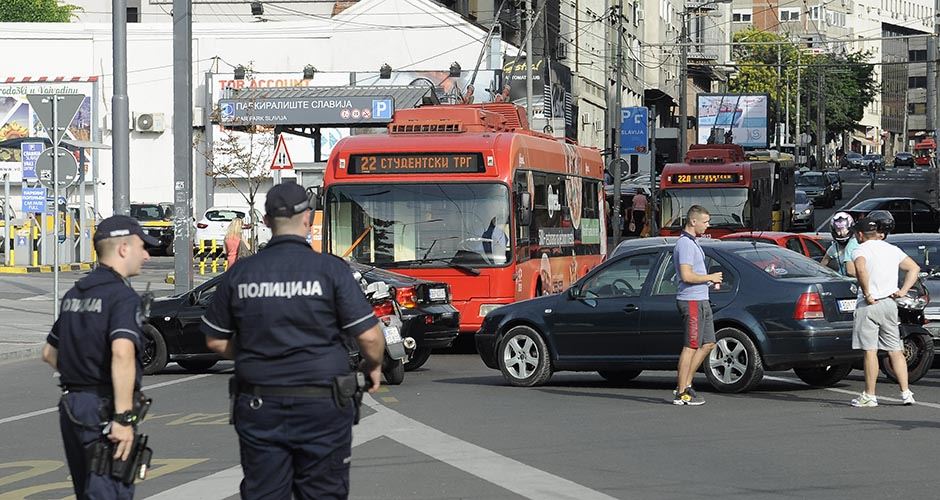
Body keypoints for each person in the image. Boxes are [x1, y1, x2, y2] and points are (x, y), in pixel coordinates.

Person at [201, 182, 385, 499]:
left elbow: (215, 341)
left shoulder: (242, 273)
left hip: (260, 403)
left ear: (266, 222)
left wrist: (254, 352)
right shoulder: (330, 270)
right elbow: (369, 336)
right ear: (308, 217)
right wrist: (374, 367)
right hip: (322, 404)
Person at [41, 215, 157, 499]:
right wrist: (122, 417)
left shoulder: (74, 294)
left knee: (87, 491)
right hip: (103, 409)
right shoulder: (121, 298)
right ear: (123, 248)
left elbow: (49, 352)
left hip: (72, 406)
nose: (147, 256)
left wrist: (82, 376)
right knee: (110, 490)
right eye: (142, 247)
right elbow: (122, 352)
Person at [849, 213, 920, 407]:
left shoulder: (859, 249)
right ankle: (906, 393)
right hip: (890, 303)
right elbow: (914, 268)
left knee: (870, 351)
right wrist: (903, 291)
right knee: (895, 349)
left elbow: (861, 269)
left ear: (862, 234)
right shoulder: (892, 249)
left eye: (857, 234)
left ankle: (870, 395)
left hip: (870, 304)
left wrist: (867, 293)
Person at [673, 205, 723, 405]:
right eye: (705, 222)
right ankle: (681, 391)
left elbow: (694, 274)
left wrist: (709, 281)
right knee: (691, 346)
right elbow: (686, 275)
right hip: (691, 300)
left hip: (701, 298)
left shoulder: (693, 243)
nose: (707, 226)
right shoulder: (685, 244)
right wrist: (709, 276)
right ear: (693, 221)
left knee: (708, 343)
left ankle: (687, 385)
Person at [819, 212, 859, 276]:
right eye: (838, 230)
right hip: (844, 281)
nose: (841, 233)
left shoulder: (857, 243)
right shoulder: (834, 248)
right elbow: (821, 266)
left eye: (844, 229)